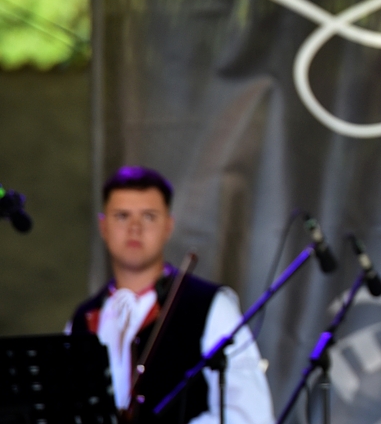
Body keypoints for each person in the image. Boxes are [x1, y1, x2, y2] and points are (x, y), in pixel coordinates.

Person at [67, 167, 273, 424]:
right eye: (122, 216)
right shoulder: (82, 319)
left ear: (168, 225)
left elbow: (252, 415)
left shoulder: (210, 306)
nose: (134, 228)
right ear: (103, 226)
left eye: (148, 217)